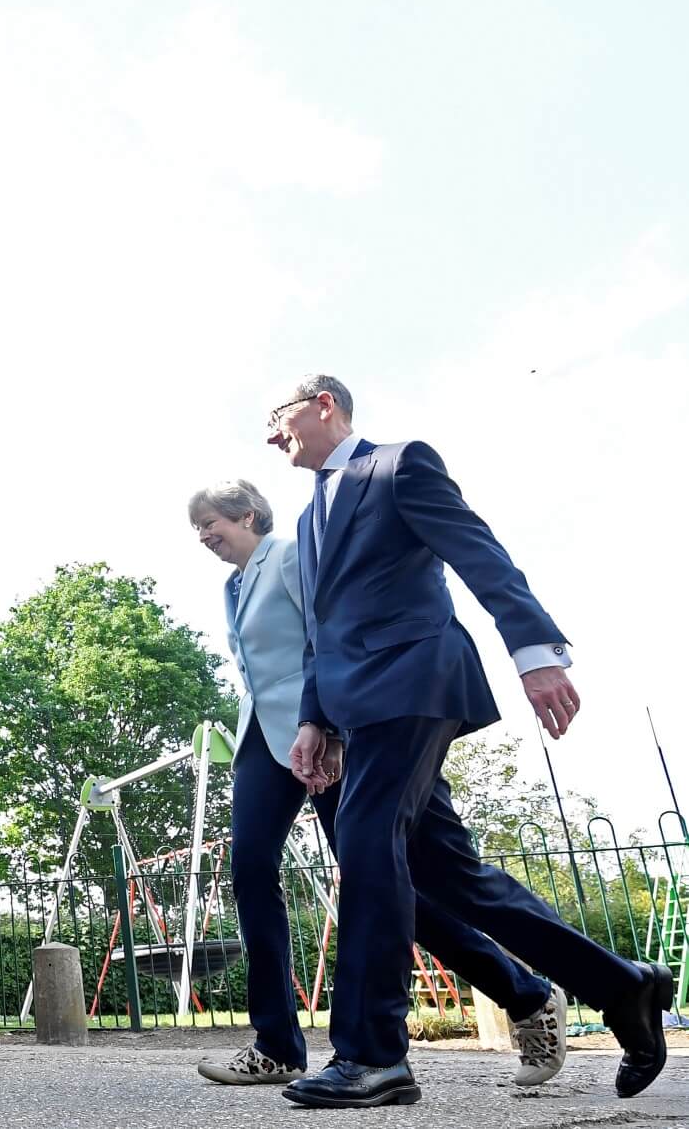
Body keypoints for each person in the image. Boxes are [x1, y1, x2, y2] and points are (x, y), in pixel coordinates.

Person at [267, 374, 675, 1109]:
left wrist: (534, 649)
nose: (272, 437)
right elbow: (317, 634)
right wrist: (314, 719)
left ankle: (372, 1056)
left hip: (415, 676)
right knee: (447, 875)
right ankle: (622, 986)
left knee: (364, 843)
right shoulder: (306, 522)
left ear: (322, 403)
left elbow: (476, 551)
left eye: (277, 417)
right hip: (355, 702)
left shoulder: (396, 464)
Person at [187, 480, 563, 1090]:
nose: (203, 536)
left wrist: (327, 725)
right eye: (197, 529)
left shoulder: (287, 555)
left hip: (326, 728)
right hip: (262, 732)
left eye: (210, 523)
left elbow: (324, 634)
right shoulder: (231, 585)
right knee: (250, 866)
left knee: (377, 882)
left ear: (247, 514)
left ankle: (525, 995)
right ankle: (276, 1044)